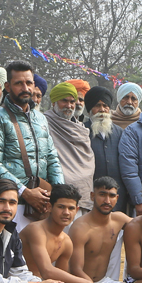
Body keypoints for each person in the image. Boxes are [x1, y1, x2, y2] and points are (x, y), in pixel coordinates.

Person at [0, 60, 65, 231]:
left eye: (29, 83)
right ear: (7, 86)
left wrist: (58, 193)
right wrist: (24, 192)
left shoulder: (40, 118)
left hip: (41, 204)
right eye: (18, 83)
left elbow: (52, 158)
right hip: (11, 203)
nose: (25, 88)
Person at [68, 177, 138, 283]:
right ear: (92, 196)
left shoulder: (119, 219)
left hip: (103, 281)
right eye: (102, 194)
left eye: (111, 196)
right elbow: (76, 269)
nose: (107, 201)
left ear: (117, 198)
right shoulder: (80, 227)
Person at [45, 81, 96, 216]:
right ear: (54, 102)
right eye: (64, 101)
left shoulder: (81, 128)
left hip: (82, 196)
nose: (69, 106)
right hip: (58, 196)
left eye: (72, 102)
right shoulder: (44, 123)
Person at [86, 87, 131, 215]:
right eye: (97, 106)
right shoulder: (82, 131)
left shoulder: (120, 132)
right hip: (91, 195)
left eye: (105, 106)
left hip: (117, 196)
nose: (102, 110)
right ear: (90, 109)